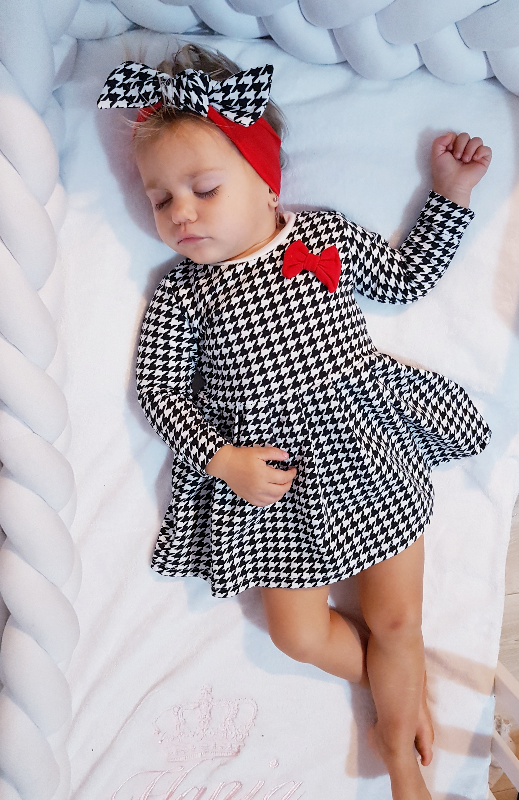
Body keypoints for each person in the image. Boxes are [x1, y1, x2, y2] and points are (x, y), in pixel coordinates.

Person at [98, 43, 492, 800]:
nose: (181, 213)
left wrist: (450, 193)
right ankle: (395, 690)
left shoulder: (323, 239)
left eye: (203, 189)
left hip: (366, 448)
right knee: (298, 635)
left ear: (265, 180)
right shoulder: (182, 294)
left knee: (397, 622)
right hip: (269, 480)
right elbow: (160, 393)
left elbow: (405, 279)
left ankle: (402, 768)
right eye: (160, 199)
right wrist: (221, 458)